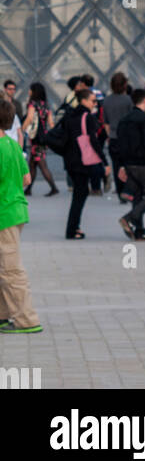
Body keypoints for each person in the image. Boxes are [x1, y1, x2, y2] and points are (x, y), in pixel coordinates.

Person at [0, 99, 41, 334]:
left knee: (11, 269)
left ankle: (27, 320)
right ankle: (3, 314)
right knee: (3, 266)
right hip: (16, 210)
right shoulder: (13, 145)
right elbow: (27, 179)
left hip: (3, 214)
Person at [61, 87, 106, 240]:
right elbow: (93, 141)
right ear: (84, 101)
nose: (96, 104)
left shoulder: (69, 115)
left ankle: (74, 227)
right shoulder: (87, 117)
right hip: (82, 161)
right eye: (93, 101)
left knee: (80, 193)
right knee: (80, 195)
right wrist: (104, 161)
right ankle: (71, 230)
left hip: (70, 161)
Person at [116, 89, 145, 241]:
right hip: (144, 163)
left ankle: (140, 231)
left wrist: (122, 165)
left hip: (129, 164)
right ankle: (128, 218)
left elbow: (119, 145)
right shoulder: (144, 119)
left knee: (137, 197)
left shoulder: (124, 119)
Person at [22, 83, 58, 197]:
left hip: (36, 138)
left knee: (42, 164)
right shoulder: (46, 105)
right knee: (32, 164)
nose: (29, 92)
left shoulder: (32, 104)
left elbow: (30, 118)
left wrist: (22, 129)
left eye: (30, 90)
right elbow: (51, 123)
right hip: (44, 138)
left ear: (34, 91)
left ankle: (53, 187)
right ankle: (28, 189)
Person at [102, 72, 134, 196]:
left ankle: (120, 190)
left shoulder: (106, 101)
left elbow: (106, 123)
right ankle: (127, 190)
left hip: (113, 138)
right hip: (127, 138)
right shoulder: (128, 100)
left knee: (116, 165)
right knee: (128, 165)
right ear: (125, 84)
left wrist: (109, 136)